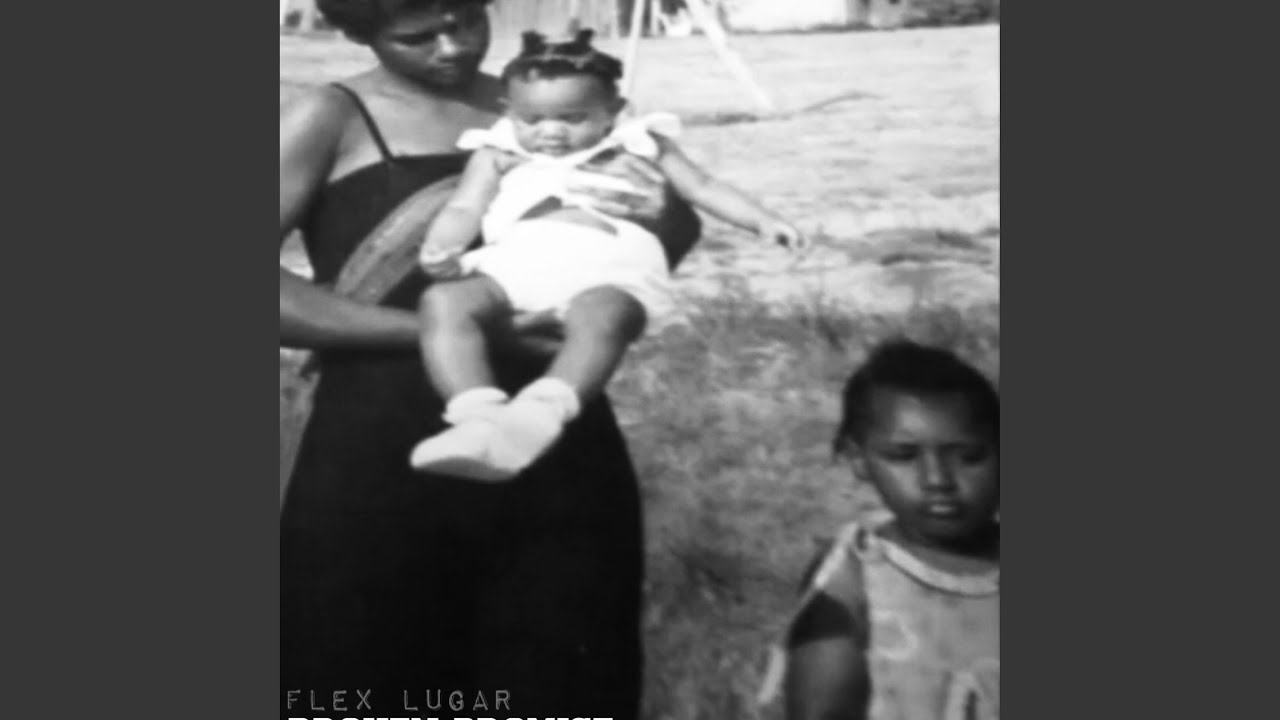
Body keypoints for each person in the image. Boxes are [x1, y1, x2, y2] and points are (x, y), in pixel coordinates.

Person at [278, 1, 701, 717]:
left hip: (552, 429)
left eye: (466, 22)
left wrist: (666, 216)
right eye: (417, 36)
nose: (451, 47)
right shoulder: (333, 116)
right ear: (356, 32)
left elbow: (652, 245)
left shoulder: (546, 104)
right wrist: (427, 330)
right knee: (374, 670)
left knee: (560, 670)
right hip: (382, 448)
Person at [409, 29, 807, 481]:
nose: (551, 131)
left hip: (609, 267)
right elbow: (465, 206)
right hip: (517, 264)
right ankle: (476, 415)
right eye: (532, 119)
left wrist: (762, 220)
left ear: (613, 111)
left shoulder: (638, 140)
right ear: (509, 111)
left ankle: (542, 411)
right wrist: (442, 245)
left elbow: (702, 187)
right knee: (443, 301)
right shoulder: (499, 150)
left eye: (573, 118)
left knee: (604, 317)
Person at [759, 340, 1000, 720]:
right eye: (904, 457)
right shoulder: (857, 580)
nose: (937, 480)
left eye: (969, 457)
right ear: (859, 460)